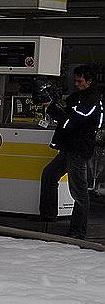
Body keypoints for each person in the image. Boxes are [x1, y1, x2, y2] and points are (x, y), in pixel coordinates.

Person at [38, 65, 104, 239]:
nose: (76, 84)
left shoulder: (93, 100)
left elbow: (73, 120)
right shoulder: (77, 97)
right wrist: (52, 106)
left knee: (79, 191)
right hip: (68, 147)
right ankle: (48, 215)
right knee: (49, 175)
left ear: (89, 81)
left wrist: (55, 109)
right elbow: (66, 116)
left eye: (80, 81)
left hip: (78, 150)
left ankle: (78, 230)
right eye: (75, 80)